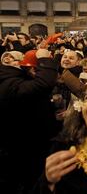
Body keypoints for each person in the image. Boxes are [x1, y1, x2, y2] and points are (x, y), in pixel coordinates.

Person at [0, 48, 59, 193]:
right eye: (25, 64)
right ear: (7, 60)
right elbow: (43, 83)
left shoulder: (15, 79)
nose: (32, 69)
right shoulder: (7, 81)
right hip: (21, 146)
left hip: (27, 142)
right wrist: (45, 60)